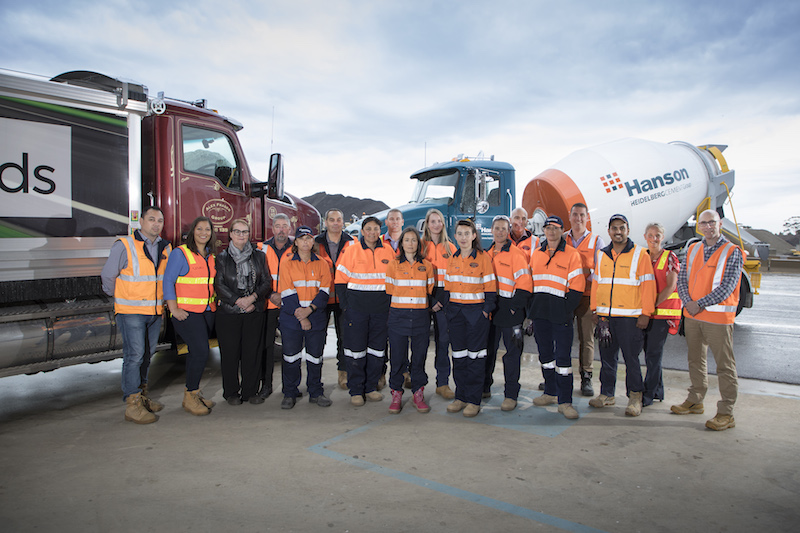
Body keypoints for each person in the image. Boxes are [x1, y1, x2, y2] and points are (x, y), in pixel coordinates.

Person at [671, 209, 743, 431]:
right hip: (693, 316)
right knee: (695, 360)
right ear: (698, 226)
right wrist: (688, 302)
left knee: (724, 366)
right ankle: (695, 400)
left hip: (717, 318)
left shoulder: (732, 251)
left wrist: (698, 304)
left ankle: (726, 412)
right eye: (703, 223)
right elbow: (682, 279)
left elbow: (727, 286)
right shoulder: (693, 249)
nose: (708, 226)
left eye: (712, 222)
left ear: (720, 224)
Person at [101, 206, 171, 424]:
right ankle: (132, 404)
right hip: (131, 312)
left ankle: (141, 396)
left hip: (154, 312)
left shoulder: (165, 247)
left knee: (147, 355)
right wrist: (122, 297)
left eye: (160, 220)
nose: (156, 224)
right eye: (151, 219)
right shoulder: (125, 245)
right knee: (135, 356)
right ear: (141, 221)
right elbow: (108, 276)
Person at [589, 214, 656, 417]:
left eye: (622, 228)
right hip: (606, 318)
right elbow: (597, 283)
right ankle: (607, 394)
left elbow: (648, 286)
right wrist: (595, 309)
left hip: (630, 318)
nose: (618, 232)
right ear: (609, 231)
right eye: (614, 228)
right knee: (607, 358)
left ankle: (635, 397)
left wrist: (646, 313)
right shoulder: (602, 255)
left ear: (628, 230)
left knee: (631, 359)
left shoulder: (640, 254)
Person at [529, 216, 586, 419]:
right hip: (540, 315)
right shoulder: (537, 254)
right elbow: (530, 284)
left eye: (555, 228)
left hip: (560, 316)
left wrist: (565, 310)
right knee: (545, 357)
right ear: (544, 230)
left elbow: (577, 288)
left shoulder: (572, 254)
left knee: (563, 360)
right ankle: (550, 392)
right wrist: (531, 310)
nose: (551, 231)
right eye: (548, 228)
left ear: (562, 230)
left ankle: (565, 401)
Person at [336, 216, 395, 406]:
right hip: (356, 310)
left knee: (377, 351)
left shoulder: (388, 251)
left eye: (376, 229)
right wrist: (346, 306)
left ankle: (370, 387)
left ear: (380, 231)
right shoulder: (351, 251)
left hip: (381, 311)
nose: (372, 232)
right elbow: (340, 280)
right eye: (368, 229)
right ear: (362, 232)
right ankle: (356, 390)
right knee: (356, 351)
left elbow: (394, 280)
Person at [441, 219, 497, 418]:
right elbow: (447, 287)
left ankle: (473, 400)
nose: (463, 237)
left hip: (476, 315)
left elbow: (490, 288)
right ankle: (461, 397)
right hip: (456, 314)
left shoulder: (483, 258)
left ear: (474, 236)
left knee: (476, 357)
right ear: (455, 236)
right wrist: (448, 310)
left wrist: (485, 311)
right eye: (460, 233)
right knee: (459, 357)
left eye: (467, 233)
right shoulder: (452, 259)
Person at [163, 216, 217, 416]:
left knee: (197, 352)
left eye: (207, 229)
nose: (204, 233)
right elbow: (168, 281)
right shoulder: (181, 253)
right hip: (187, 313)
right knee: (201, 351)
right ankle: (190, 394)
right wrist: (173, 309)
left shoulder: (210, 256)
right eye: (199, 229)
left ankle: (193, 393)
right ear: (192, 231)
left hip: (207, 311)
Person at [215, 219, 272, 405]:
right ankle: (231, 393)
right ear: (230, 234)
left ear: (249, 234)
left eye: (245, 231)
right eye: (237, 231)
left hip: (253, 311)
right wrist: (238, 301)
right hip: (229, 313)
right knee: (230, 354)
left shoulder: (259, 256)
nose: (241, 235)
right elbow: (219, 285)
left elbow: (266, 282)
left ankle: (250, 391)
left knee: (252, 353)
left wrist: (252, 299)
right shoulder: (222, 258)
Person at [278, 226, 333, 409]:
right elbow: (287, 292)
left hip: (316, 316)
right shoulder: (287, 263)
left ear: (313, 241)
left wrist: (309, 311)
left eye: (308, 238)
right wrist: (302, 317)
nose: (305, 242)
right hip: (292, 318)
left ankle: (315, 392)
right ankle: (290, 393)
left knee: (315, 357)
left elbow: (324, 292)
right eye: (302, 238)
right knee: (291, 357)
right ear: (296, 242)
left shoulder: (322, 263)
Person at [484, 215, 532, 411]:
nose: (500, 232)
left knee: (512, 354)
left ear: (508, 231)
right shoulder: (486, 254)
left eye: (504, 228)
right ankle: (484, 387)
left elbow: (525, 285)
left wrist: (514, 307)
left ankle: (511, 394)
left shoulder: (516, 254)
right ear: (492, 230)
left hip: (510, 311)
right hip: (491, 309)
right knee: (488, 351)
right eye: (497, 228)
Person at [385, 227, 435, 414]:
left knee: (419, 357)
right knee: (397, 357)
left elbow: (429, 290)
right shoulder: (393, 265)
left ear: (418, 243)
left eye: (414, 240)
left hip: (420, 317)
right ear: (401, 243)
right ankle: (396, 393)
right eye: (407, 240)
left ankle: (418, 393)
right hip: (398, 316)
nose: (410, 243)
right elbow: (390, 290)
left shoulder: (427, 266)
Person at [565, 202, 606, 396]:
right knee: (562, 336)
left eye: (582, 215)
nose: (578, 218)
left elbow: (601, 272)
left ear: (587, 217)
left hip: (587, 297)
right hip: (565, 296)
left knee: (586, 338)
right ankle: (559, 375)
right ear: (570, 216)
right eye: (575, 214)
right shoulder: (562, 238)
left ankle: (586, 377)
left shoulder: (596, 241)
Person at [642, 222, 682, 407]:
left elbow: (671, 286)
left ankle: (648, 393)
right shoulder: (643, 256)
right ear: (645, 237)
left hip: (663, 313)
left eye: (657, 235)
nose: (654, 239)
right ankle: (658, 390)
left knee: (653, 353)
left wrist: (651, 305)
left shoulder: (670, 257)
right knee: (650, 353)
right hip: (647, 313)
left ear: (662, 237)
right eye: (650, 235)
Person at [421, 208, 458, 399]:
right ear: (427, 224)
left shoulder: (450, 248)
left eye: (439, 221)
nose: (436, 225)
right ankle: (417, 382)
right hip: (423, 296)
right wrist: (429, 299)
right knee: (420, 342)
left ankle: (442, 383)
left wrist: (445, 299)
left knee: (443, 341)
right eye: (432, 221)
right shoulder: (420, 247)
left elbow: (455, 276)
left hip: (444, 299)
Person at [315, 208, 353, 391]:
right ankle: (315, 378)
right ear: (326, 222)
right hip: (321, 297)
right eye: (332, 219)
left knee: (344, 337)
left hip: (344, 298)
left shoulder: (351, 243)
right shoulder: (316, 243)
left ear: (343, 222)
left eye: (339, 219)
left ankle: (343, 373)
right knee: (318, 338)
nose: (335, 223)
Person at [258, 213, 293, 398]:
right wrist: (271, 295)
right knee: (267, 347)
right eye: (278, 226)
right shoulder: (261, 249)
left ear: (289, 228)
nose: (281, 230)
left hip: (290, 304)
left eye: (284, 226)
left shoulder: (296, 248)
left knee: (291, 347)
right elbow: (256, 277)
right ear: (272, 229)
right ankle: (266, 385)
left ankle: (290, 386)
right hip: (268, 304)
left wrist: (284, 296)